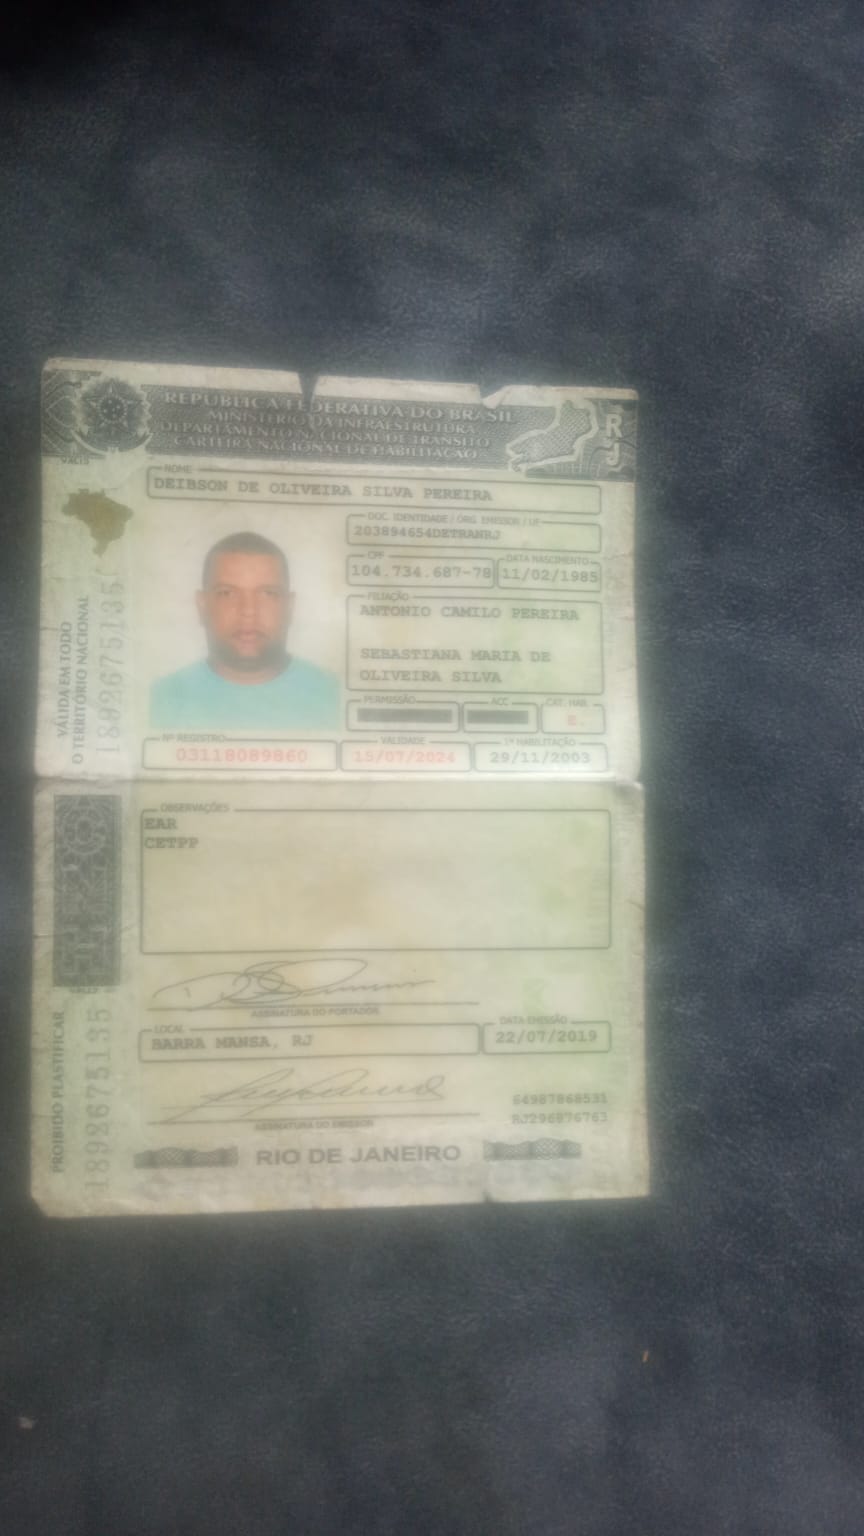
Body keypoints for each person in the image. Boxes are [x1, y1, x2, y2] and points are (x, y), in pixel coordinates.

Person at [150, 531, 340, 729]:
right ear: (202, 606)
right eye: (227, 593)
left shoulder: (335, 696)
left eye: (268, 593)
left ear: (289, 607)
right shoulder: (160, 700)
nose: (248, 611)